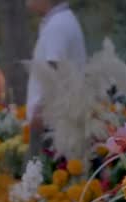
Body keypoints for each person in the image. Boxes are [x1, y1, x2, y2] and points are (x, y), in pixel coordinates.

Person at [25, 0, 87, 157]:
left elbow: (54, 73)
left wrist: (40, 111)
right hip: (56, 120)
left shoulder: (58, 26)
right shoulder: (60, 21)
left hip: (51, 123)